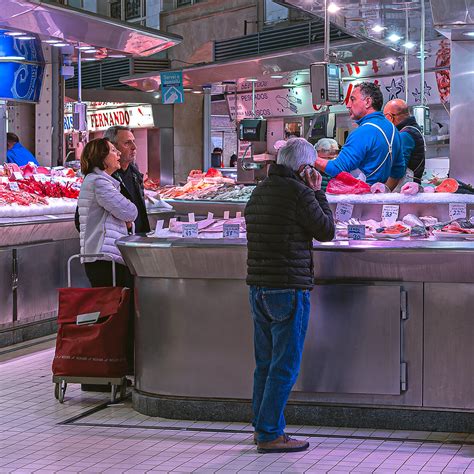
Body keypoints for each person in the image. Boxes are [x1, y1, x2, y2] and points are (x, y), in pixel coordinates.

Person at [245, 137, 335, 454]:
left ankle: (263, 427)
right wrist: (317, 191)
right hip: (288, 289)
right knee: (285, 365)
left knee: (265, 364)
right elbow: (326, 230)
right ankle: (270, 433)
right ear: (304, 168)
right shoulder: (299, 193)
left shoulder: (260, 190)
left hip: (258, 289)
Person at [314, 82, 405, 190]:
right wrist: (381, 192)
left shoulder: (363, 132)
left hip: (360, 203)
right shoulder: (393, 129)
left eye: (352, 99)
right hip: (377, 202)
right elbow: (398, 171)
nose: (348, 105)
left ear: (367, 102)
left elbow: (337, 168)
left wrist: (307, 157)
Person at [77, 138, 137, 289]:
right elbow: (130, 212)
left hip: (103, 255)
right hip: (103, 257)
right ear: (101, 157)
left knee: (109, 306)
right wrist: (126, 219)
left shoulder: (101, 181)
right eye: (112, 150)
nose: (118, 154)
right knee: (109, 307)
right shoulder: (99, 183)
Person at [75, 126, 150, 234]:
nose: (134, 147)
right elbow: (131, 212)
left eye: (133, 141)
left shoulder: (135, 174)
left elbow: (136, 213)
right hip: (111, 246)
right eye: (127, 143)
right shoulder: (101, 180)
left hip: (133, 241)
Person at [383, 98, 426, 184]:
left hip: (404, 190)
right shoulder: (413, 129)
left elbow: (399, 169)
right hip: (410, 188)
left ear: (390, 117)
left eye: (384, 117)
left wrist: (386, 189)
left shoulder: (405, 135)